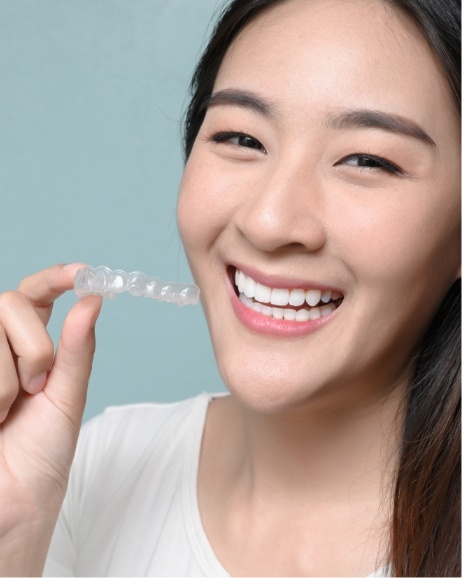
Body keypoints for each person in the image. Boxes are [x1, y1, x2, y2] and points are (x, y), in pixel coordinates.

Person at [0, 0, 459, 576]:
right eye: (242, 138)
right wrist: (14, 535)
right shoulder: (93, 467)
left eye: (366, 159)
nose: (268, 221)